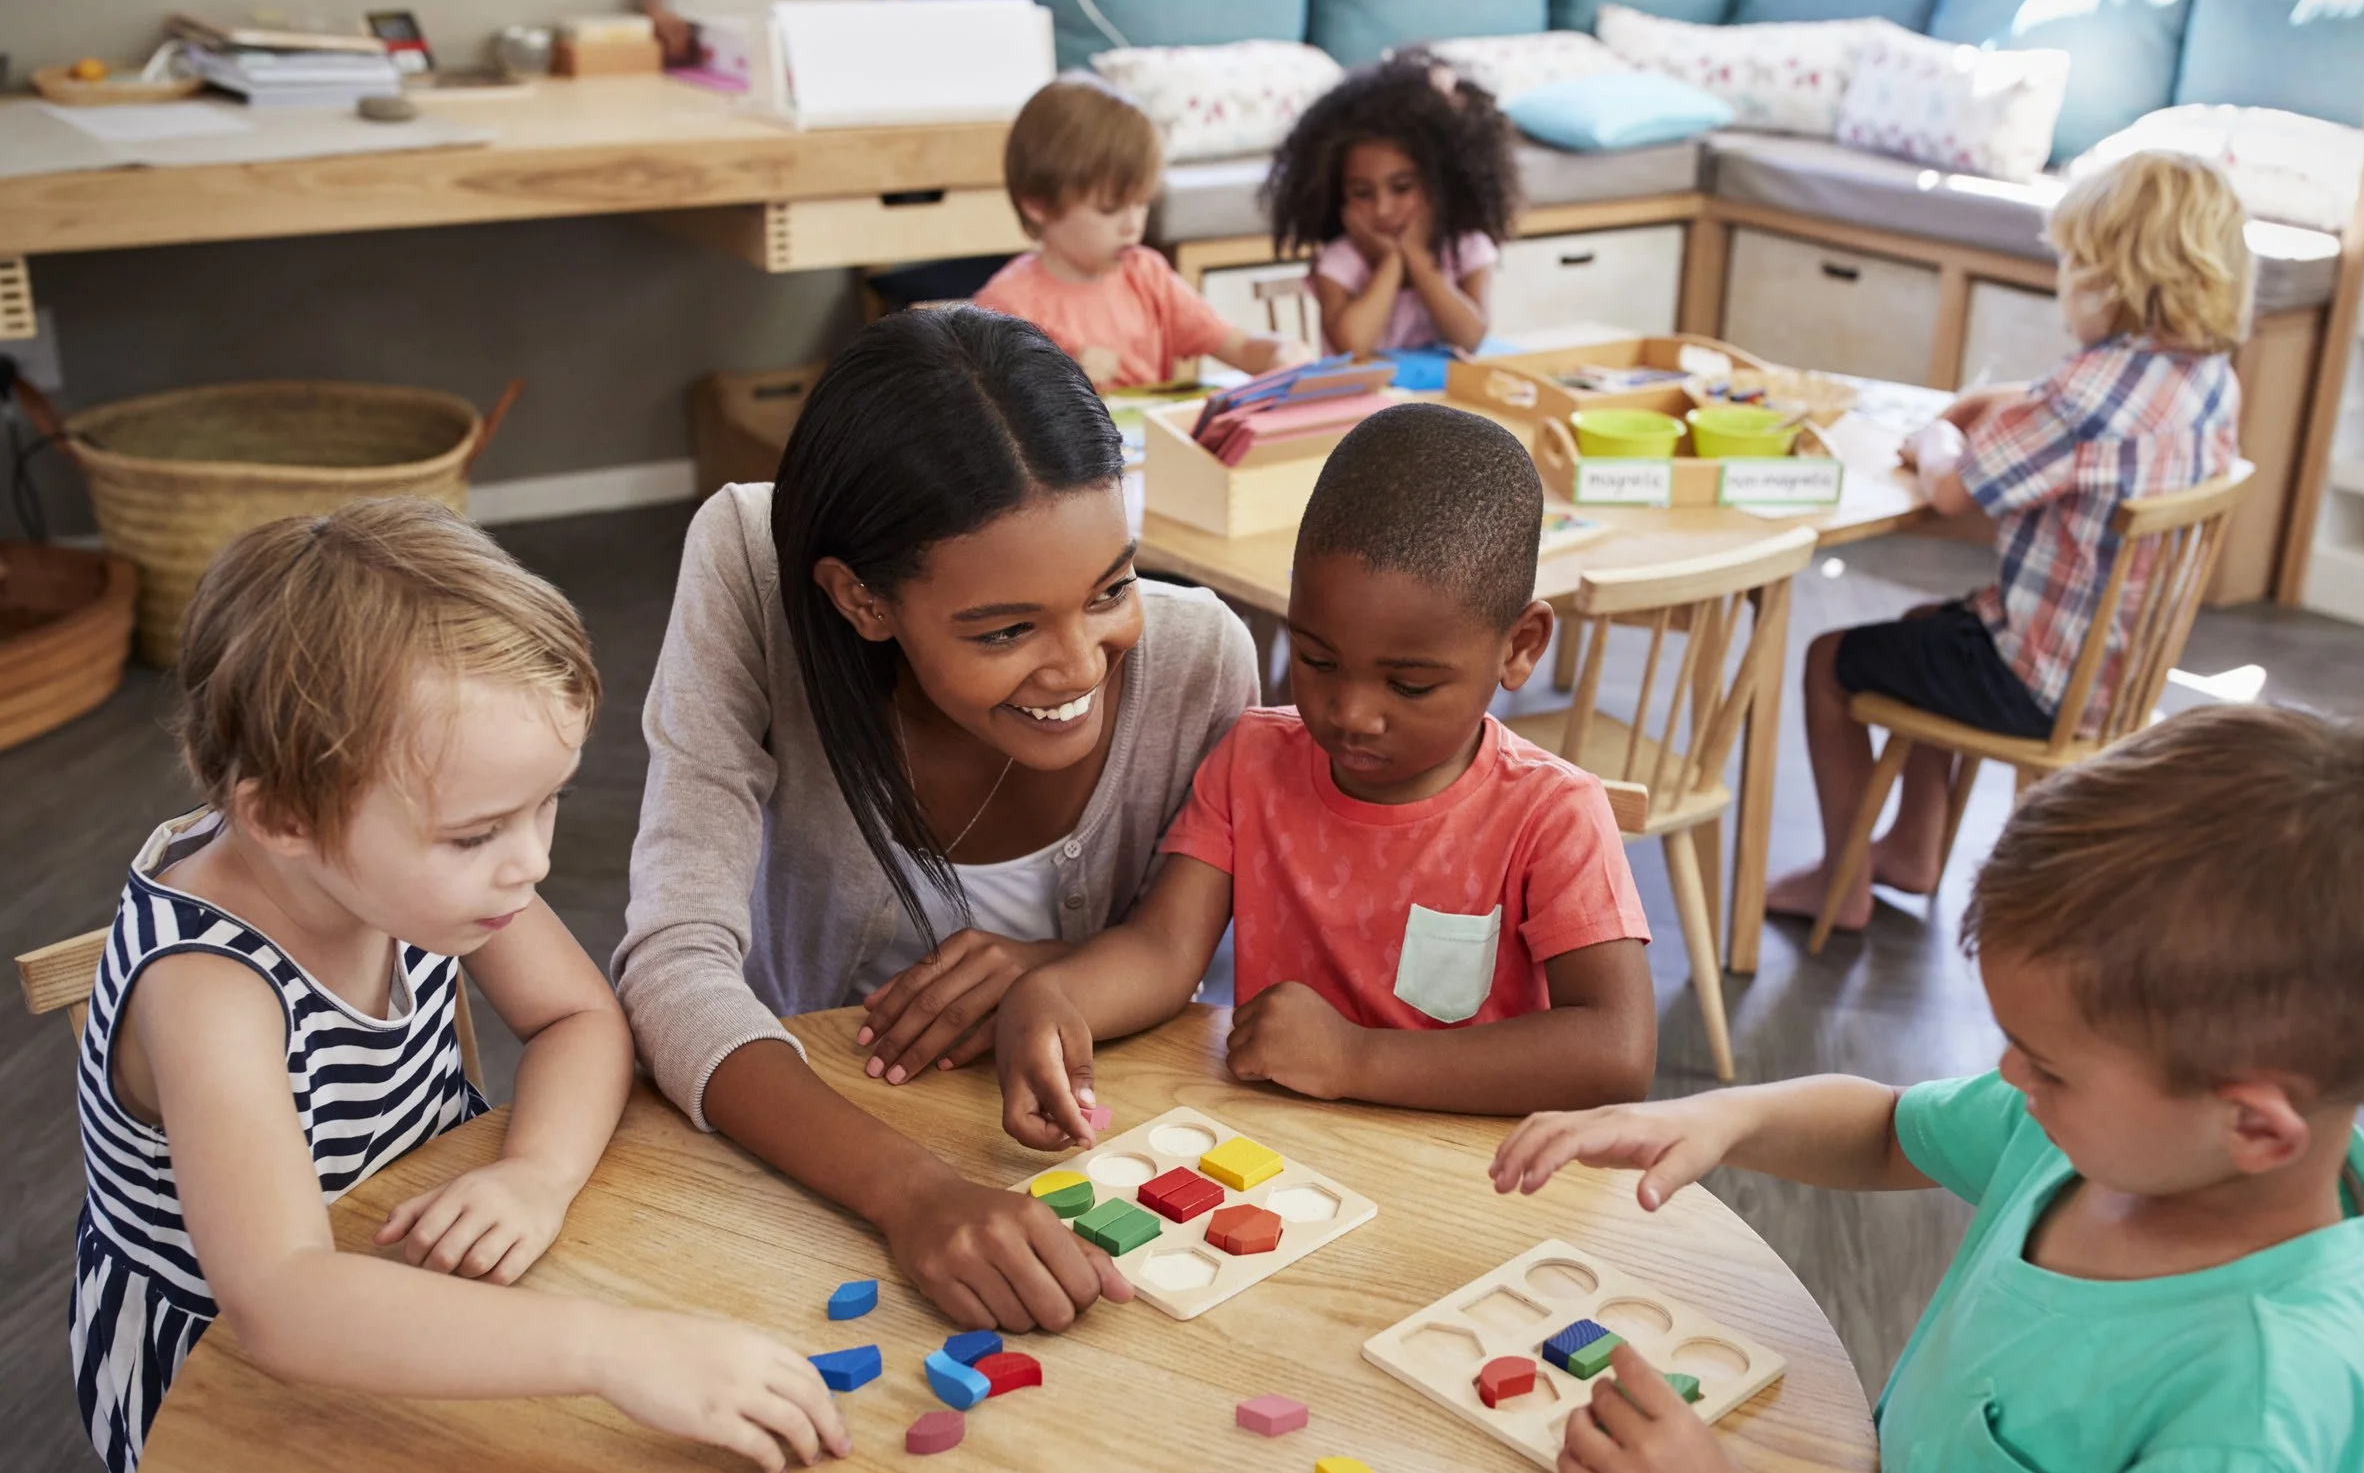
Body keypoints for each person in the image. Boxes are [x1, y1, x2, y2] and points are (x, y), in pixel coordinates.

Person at [1491, 704, 2364, 1473]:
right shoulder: (2111, 1138)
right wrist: (1721, 1113)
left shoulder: (2245, 1411)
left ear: (2257, 1128)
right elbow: (1887, 1129)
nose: (2013, 1076)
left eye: (2046, 1065)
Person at [72, 500, 849, 1473]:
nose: (529, 861)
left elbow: (577, 1016)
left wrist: (536, 1171)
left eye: (546, 803)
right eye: (478, 832)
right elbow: (281, 1300)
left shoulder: (402, 865)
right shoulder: (207, 990)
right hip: (223, 1373)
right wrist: (611, 1349)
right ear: (282, 817)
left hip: (421, 1251)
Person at [613, 307, 1260, 1330]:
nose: (1079, 666)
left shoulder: (1200, 660)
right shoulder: (753, 562)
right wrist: (913, 1194)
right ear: (860, 601)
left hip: (1091, 1171)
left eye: (1110, 588)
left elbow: (1201, 971)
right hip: (811, 1143)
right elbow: (670, 963)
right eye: (1004, 629)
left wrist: (1057, 965)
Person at [993, 402, 1654, 1146]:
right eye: (1317, 660)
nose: (1351, 713)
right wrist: (1053, 993)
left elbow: (1616, 1051)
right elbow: (1165, 950)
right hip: (1282, 1158)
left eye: (1408, 685)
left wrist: (1355, 1057)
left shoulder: (1553, 814)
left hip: (1469, 1178)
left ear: (1520, 646)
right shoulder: (1253, 759)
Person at [1767, 150, 2249, 931]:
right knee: (1929, 625)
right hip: (2116, 673)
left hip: (2037, 684)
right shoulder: (2208, 375)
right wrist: (2013, 399)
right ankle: (1914, 850)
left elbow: (1955, 487)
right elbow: (2089, 423)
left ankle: (1842, 881)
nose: (2062, 283)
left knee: (1831, 662)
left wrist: (1931, 437)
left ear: (2112, 278)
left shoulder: (2083, 391)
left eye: (2070, 266)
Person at [972, 75, 1309, 389]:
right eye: (1109, 209)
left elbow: (1242, 347)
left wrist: (1282, 352)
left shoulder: (1147, 275)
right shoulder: (1007, 306)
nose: (1132, 225)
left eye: (1141, 203)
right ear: (1039, 205)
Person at [1265, 52, 1520, 360]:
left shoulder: (1467, 247)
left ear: (1440, 183)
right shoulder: (1340, 261)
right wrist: (1390, 262)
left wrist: (1417, 258)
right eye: (1362, 192)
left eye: (1402, 188)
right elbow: (1353, 346)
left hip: (1439, 405)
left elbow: (1470, 337)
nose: (1383, 208)